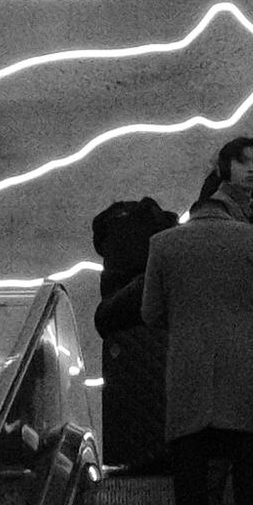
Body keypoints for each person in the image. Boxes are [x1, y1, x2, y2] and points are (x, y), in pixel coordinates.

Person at [141, 136, 253, 505]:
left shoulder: (163, 245)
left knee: (190, 473)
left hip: (189, 373)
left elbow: (150, 313)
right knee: (249, 470)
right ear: (225, 175)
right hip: (246, 371)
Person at [85, 191, 175, 474]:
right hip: (160, 334)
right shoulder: (161, 250)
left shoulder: (116, 293)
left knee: (125, 402)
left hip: (121, 343)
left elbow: (105, 318)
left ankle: (130, 462)